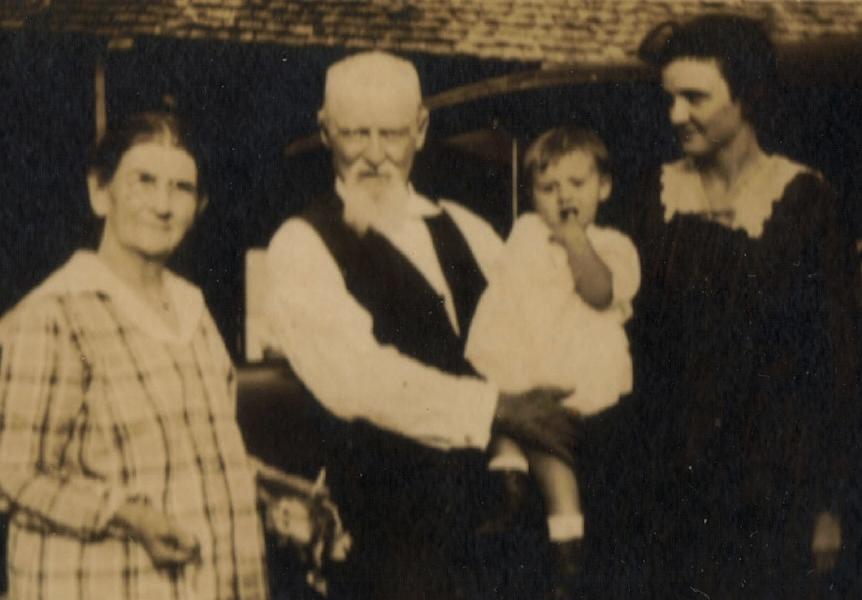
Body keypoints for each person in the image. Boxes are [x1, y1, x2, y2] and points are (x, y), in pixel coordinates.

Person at [265, 51, 578, 599]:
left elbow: (535, 325)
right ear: (324, 130)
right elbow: (354, 380)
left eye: (392, 134)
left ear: (421, 130)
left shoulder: (467, 228)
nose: (375, 156)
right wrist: (497, 407)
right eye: (355, 135)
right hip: (391, 548)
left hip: (494, 540)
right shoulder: (301, 243)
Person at [0, 111, 341, 599]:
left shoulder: (193, 312)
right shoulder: (58, 313)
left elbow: (192, 455)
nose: (163, 205)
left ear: (198, 206)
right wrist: (127, 517)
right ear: (101, 193)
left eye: (181, 189)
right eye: (143, 181)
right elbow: (12, 472)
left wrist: (274, 489)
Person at [627, 15, 858, 597]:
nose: (677, 115)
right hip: (662, 482)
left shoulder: (804, 200)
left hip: (769, 486)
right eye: (671, 98)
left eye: (696, 98)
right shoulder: (653, 198)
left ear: (747, 96)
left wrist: (829, 504)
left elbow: (836, 361)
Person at [465, 126, 640, 598]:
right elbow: (507, 280)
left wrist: (573, 239)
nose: (563, 196)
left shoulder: (612, 244)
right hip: (524, 346)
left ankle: (567, 550)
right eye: (548, 188)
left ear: (604, 187)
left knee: (550, 444)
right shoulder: (524, 232)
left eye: (577, 185)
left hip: (573, 360)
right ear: (532, 197)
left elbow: (600, 292)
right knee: (504, 401)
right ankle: (507, 476)